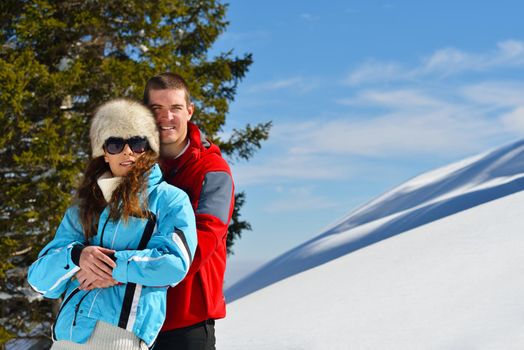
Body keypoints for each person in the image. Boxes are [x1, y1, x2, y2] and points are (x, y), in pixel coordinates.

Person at [27, 99, 197, 350]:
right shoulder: (83, 209)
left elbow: (174, 264)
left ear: (149, 147)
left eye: (137, 143)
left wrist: (111, 267)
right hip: (66, 338)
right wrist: (77, 256)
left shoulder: (169, 200)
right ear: (105, 153)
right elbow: (40, 281)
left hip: (121, 338)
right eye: (116, 144)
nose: (127, 152)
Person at [143, 73, 234, 350]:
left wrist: (125, 271)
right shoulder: (131, 163)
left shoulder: (212, 172)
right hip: (136, 318)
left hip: (186, 322)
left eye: (175, 108)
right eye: (156, 109)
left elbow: (200, 244)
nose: (165, 117)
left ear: (190, 111)